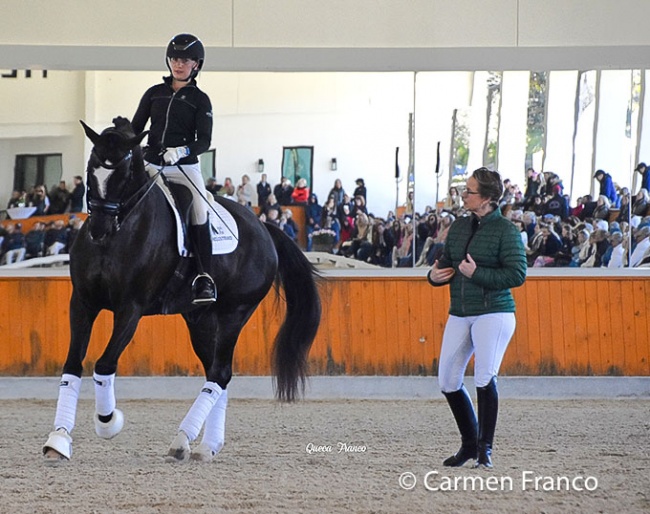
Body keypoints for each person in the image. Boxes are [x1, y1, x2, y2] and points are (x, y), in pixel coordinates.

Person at [427, 167, 526, 469]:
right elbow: (444, 264)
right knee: (447, 380)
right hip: (460, 311)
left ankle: (485, 449)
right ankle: (469, 444)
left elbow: (518, 274)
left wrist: (477, 273)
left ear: (486, 199)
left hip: (495, 313)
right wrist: (433, 276)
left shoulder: (506, 230)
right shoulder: (458, 227)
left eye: (469, 191)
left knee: (484, 376)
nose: (463, 195)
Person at [132, 33, 215, 304]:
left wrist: (182, 151)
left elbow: (204, 140)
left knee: (200, 210)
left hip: (183, 167)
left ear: (196, 65)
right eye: (175, 58)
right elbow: (136, 129)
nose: (179, 64)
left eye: (186, 59)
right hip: (151, 163)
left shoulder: (200, 100)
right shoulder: (154, 93)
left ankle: (205, 277)